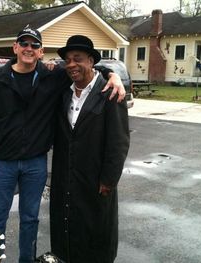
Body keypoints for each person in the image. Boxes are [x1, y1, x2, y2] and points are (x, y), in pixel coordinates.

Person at [0, 26, 126, 263]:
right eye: (23, 43)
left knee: (30, 220)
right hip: (2, 162)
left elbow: (88, 67)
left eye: (34, 45)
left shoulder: (52, 76)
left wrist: (112, 75)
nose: (28, 48)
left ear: (41, 51)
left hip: (35, 163)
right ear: (15, 48)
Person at [50, 35, 130, 263]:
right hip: (66, 176)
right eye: (68, 60)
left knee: (96, 233)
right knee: (68, 228)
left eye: (78, 59)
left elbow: (119, 141)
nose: (71, 64)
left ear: (91, 62)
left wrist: (109, 180)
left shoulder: (109, 93)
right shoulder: (64, 92)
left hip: (96, 180)